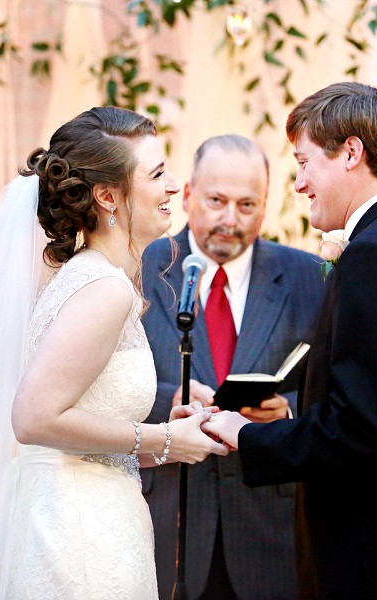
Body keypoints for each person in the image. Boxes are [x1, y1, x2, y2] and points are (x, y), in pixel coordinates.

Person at [0, 107, 228, 600]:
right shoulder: (103, 288)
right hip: (78, 538)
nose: (173, 186)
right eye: (158, 173)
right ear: (107, 195)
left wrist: (171, 436)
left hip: (81, 515)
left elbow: (80, 432)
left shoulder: (87, 276)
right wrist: (163, 439)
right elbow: (33, 419)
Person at [203, 83, 377, 599]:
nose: (299, 183)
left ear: (351, 153)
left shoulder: (373, 257)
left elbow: (362, 426)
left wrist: (244, 434)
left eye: (305, 161)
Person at [141, 134, 326, 599]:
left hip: (271, 531)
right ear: (186, 196)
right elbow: (99, 383)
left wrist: (286, 412)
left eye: (247, 205)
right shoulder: (139, 268)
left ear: (266, 207)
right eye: (216, 200)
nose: (230, 219)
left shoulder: (312, 277)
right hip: (163, 522)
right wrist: (168, 402)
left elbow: (337, 394)